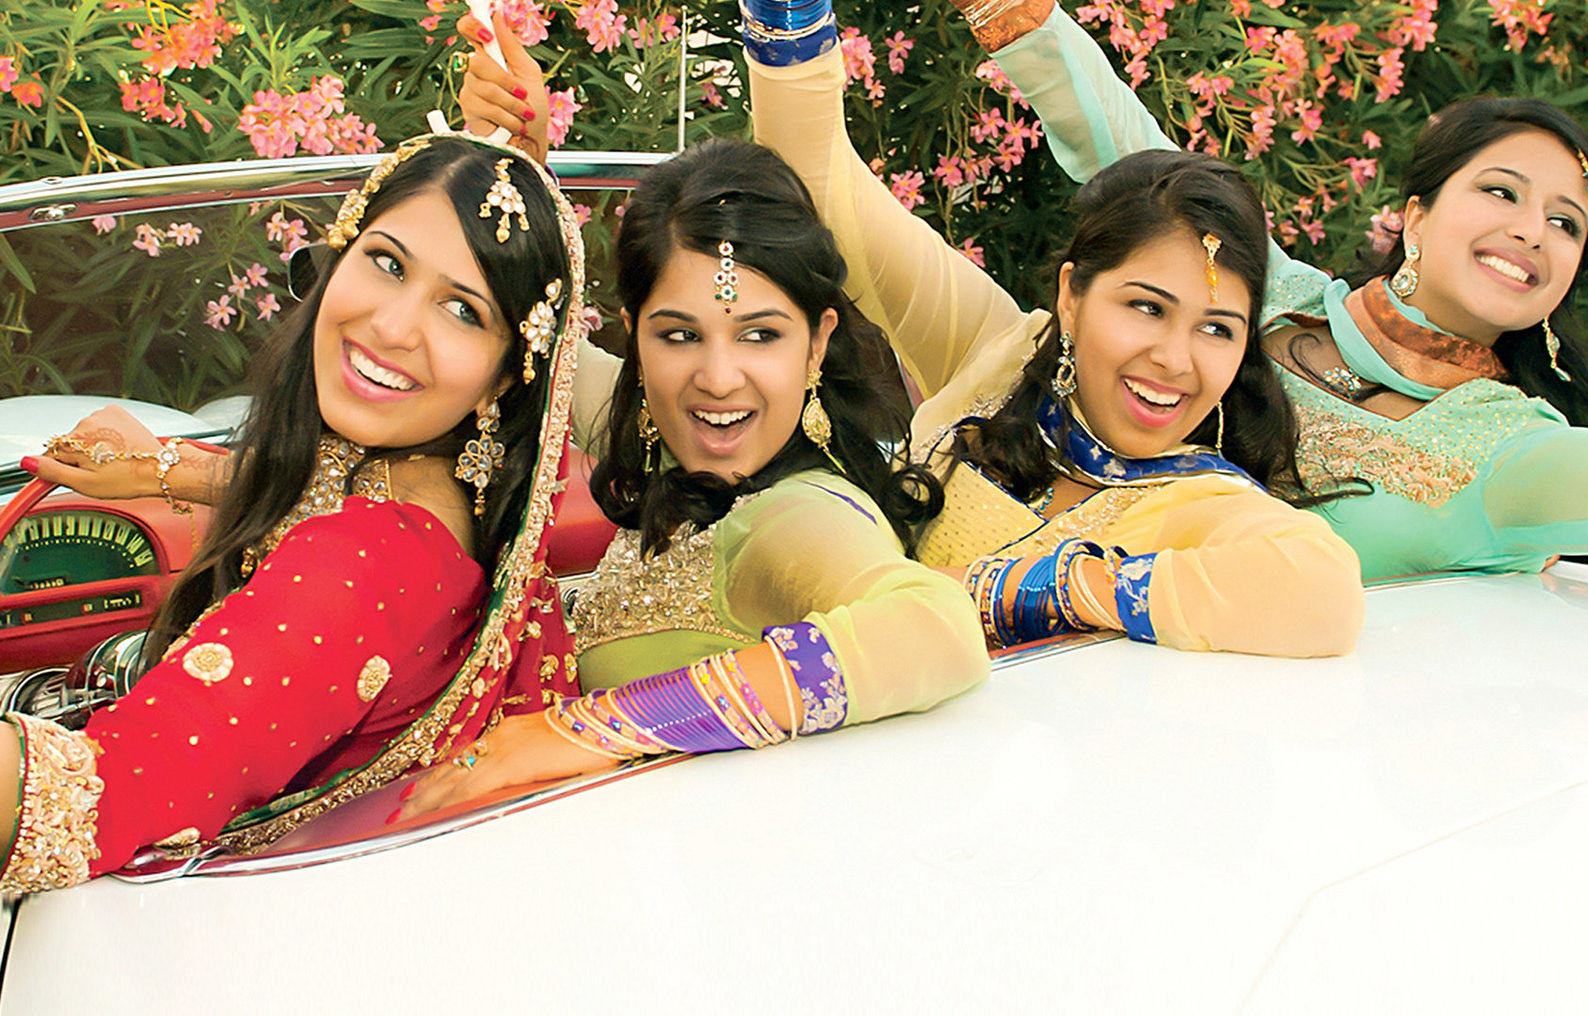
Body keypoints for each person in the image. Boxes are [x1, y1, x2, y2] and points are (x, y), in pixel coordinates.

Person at [398, 44, 990, 813]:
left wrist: (585, 730)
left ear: (817, 341)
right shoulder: (675, 449)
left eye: (760, 335)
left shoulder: (793, 516)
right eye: (679, 335)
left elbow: (933, 629)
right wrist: (516, 166)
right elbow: (533, 342)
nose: (716, 377)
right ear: (634, 333)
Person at [1, 132, 589, 892]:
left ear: (502, 378)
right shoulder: (435, 492)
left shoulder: (365, 562)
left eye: (461, 309)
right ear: (336, 259)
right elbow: (318, 477)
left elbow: (92, 797)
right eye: (386, 262)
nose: (392, 326)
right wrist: (164, 467)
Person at [721, 2, 1362, 657]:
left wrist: (1022, 590)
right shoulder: (997, 354)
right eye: (1146, 307)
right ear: (1073, 297)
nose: (1175, 359)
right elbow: (826, 193)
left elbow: (1325, 595)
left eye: (1218, 329)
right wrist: (787, 16)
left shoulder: (1205, 502)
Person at [951, 0, 1588, 580]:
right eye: (1501, 191)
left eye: (1564, 223)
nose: (1532, 231)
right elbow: (1128, 150)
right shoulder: (1279, 296)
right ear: (1417, 217)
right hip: (1028, 614)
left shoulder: (1513, 448)